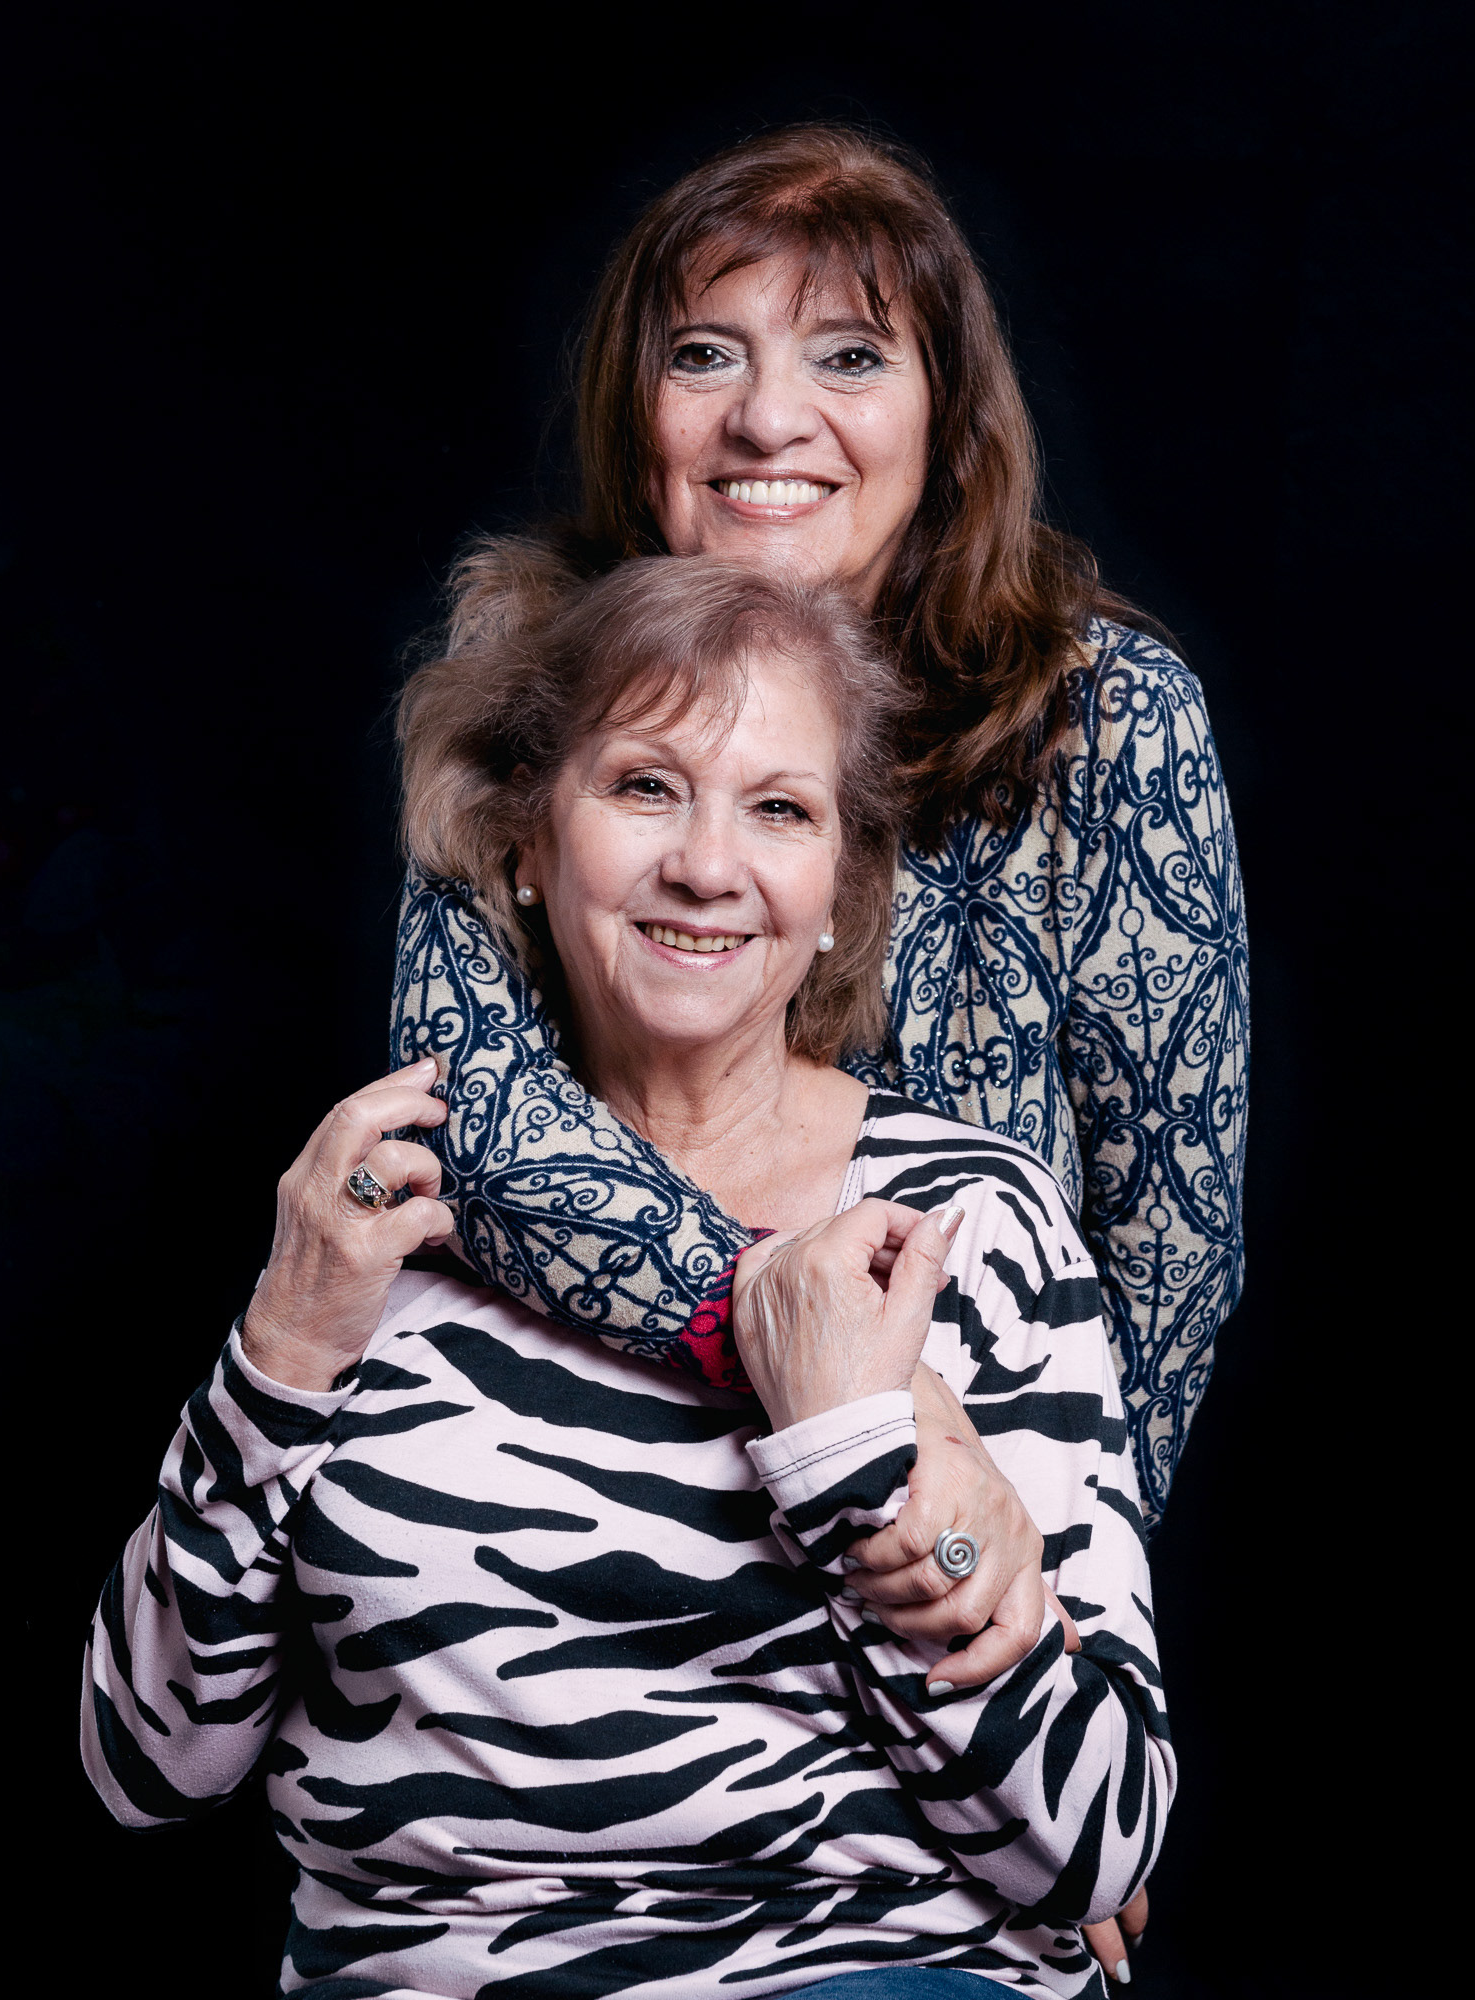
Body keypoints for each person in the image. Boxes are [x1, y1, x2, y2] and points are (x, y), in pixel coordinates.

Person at [84, 561, 1172, 1997]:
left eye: (777, 809)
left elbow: (1097, 1843)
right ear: (529, 838)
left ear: (841, 889)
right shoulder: (376, 1209)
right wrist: (283, 1346)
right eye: (648, 787)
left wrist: (856, 1459)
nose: (707, 865)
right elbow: (146, 1767)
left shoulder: (968, 1223)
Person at [391, 124, 1248, 1546]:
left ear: (946, 414)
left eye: (849, 355)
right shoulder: (529, 675)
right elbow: (480, 1124)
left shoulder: (1107, 716)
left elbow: (1173, 1246)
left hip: (976, 1523)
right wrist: (867, 1400)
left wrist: (1029, 1564)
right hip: (568, 1516)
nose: (769, 421)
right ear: (634, 407)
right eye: (705, 354)